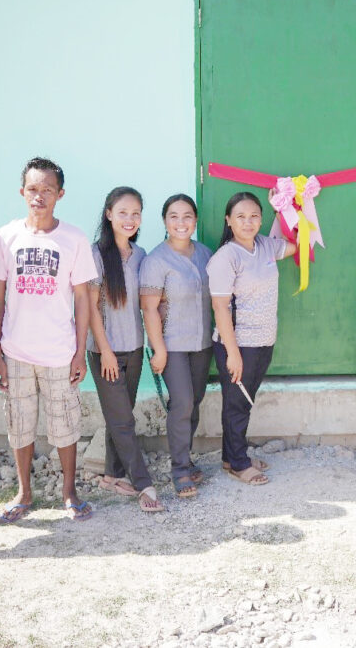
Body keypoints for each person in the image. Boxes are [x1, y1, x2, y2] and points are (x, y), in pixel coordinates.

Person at [0, 157, 98, 522]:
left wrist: (80, 352)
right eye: (33, 189)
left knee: (65, 424)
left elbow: (82, 298)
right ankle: (23, 492)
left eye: (47, 189)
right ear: (22, 192)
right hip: (15, 353)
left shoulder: (74, 239)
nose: (39, 196)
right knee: (19, 423)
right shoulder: (6, 237)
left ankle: (69, 492)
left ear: (59, 194)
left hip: (60, 352)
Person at [207, 192, 296, 485]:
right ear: (228, 221)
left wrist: (284, 207)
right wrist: (232, 353)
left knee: (242, 401)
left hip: (264, 339)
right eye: (241, 217)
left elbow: (295, 247)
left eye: (255, 216)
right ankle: (239, 463)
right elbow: (220, 307)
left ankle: (231, 456)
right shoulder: (226, 257)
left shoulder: (265, 246)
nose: (248, 222)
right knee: (238, 404)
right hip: (238, 343)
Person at [87, 187, 164, 512]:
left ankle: (112, 475)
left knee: (119, 415)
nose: (129, 219)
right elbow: (90, 309)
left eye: (135, 213)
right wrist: (104, 351)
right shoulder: (96, 254)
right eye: (122, 212)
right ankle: (144, 485)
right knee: (123, 422)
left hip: (134, 349)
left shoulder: (142, 255)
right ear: (109, 214)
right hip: (105, 351)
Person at [140, 194, 214, 499]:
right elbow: (149, 309)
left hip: (202, 342)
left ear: (195, 221)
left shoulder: (206, 254)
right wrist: (158, 350)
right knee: (182, 403)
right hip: (172, 345)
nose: (181, 223)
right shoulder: (156, 260)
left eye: (187, 216)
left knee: (193, 401)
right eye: (173, 216)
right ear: (164, 221)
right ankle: (180, 470)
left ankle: (187, 458)